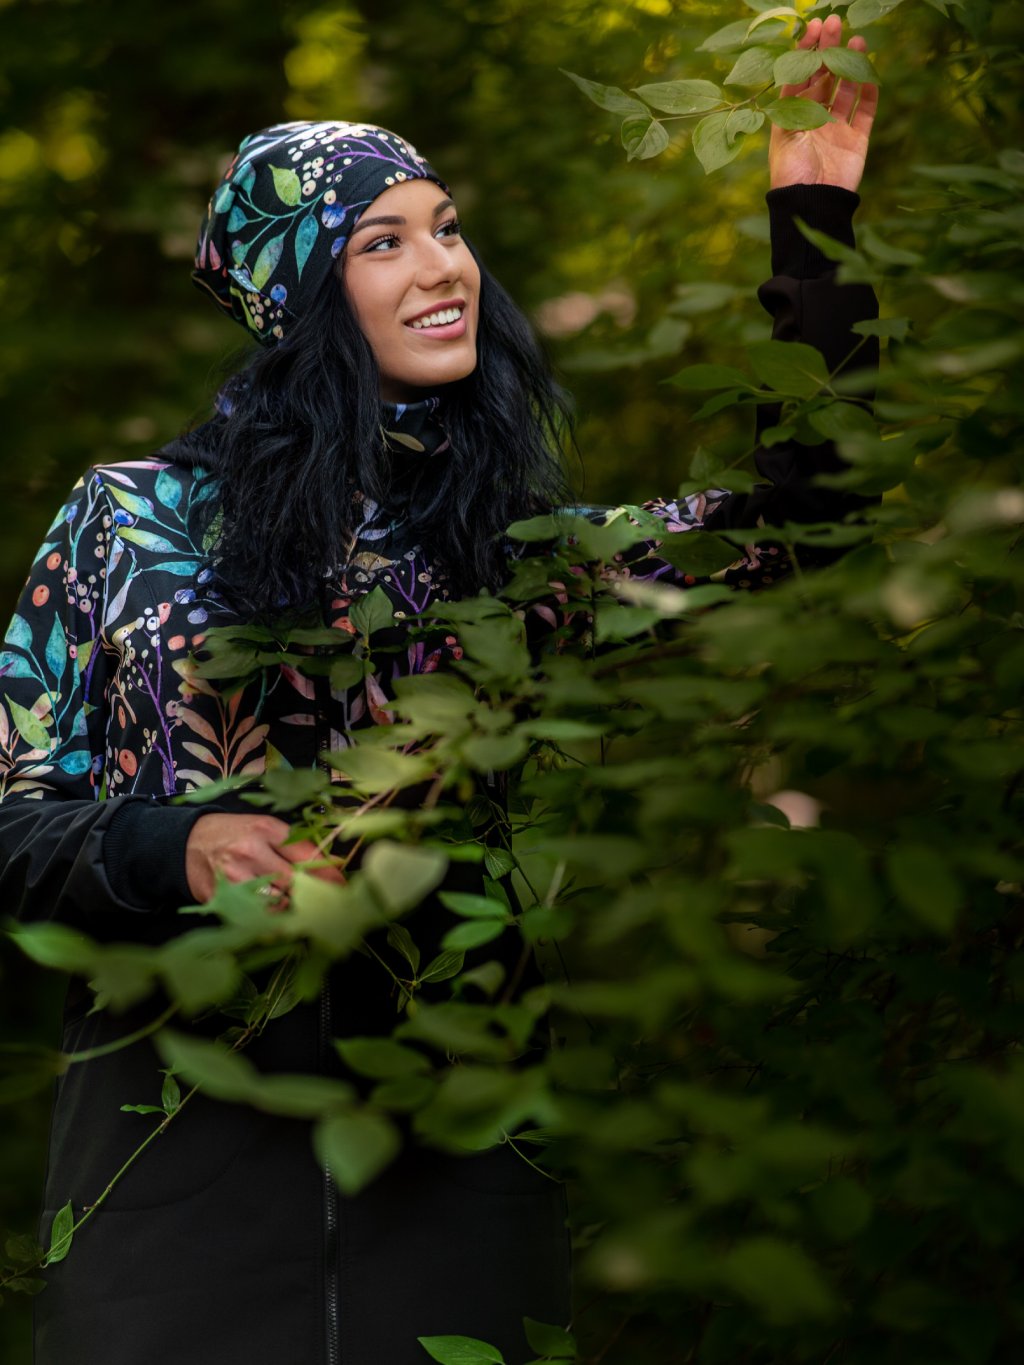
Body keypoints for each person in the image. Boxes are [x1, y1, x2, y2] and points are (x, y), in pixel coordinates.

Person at [0, 15, 878, 1365]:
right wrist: (179, 846)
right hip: (169, 1183)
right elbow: (11, 822)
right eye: (384, 240)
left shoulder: (509, 560)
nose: (445, 266)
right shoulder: (130, 524)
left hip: (461, 1176)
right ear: (297, 293)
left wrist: (813, 227)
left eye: (449, 228)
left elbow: (801, 526)